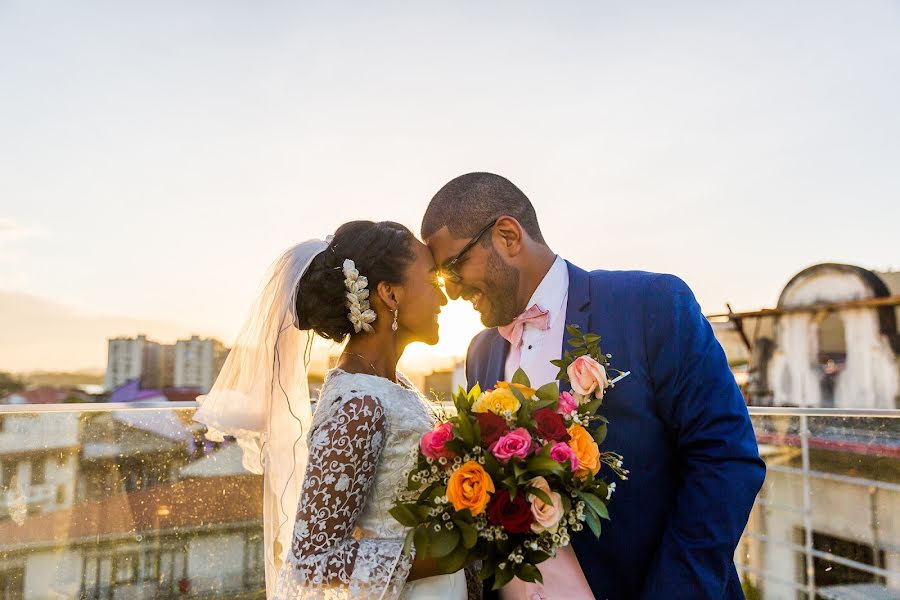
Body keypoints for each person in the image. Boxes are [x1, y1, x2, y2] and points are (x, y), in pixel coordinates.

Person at [422, 173, 766, 599]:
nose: (451, 292)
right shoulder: (481, 352)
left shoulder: (650, 304)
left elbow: (726, 458)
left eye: (453, 269)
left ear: (507, 236)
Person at [194, 220, 474, 599]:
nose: (443, 298)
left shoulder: (394, 384)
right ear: (389, 294)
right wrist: (448, 555)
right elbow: (311, 561)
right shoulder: (356, 404)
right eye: (431, 280)